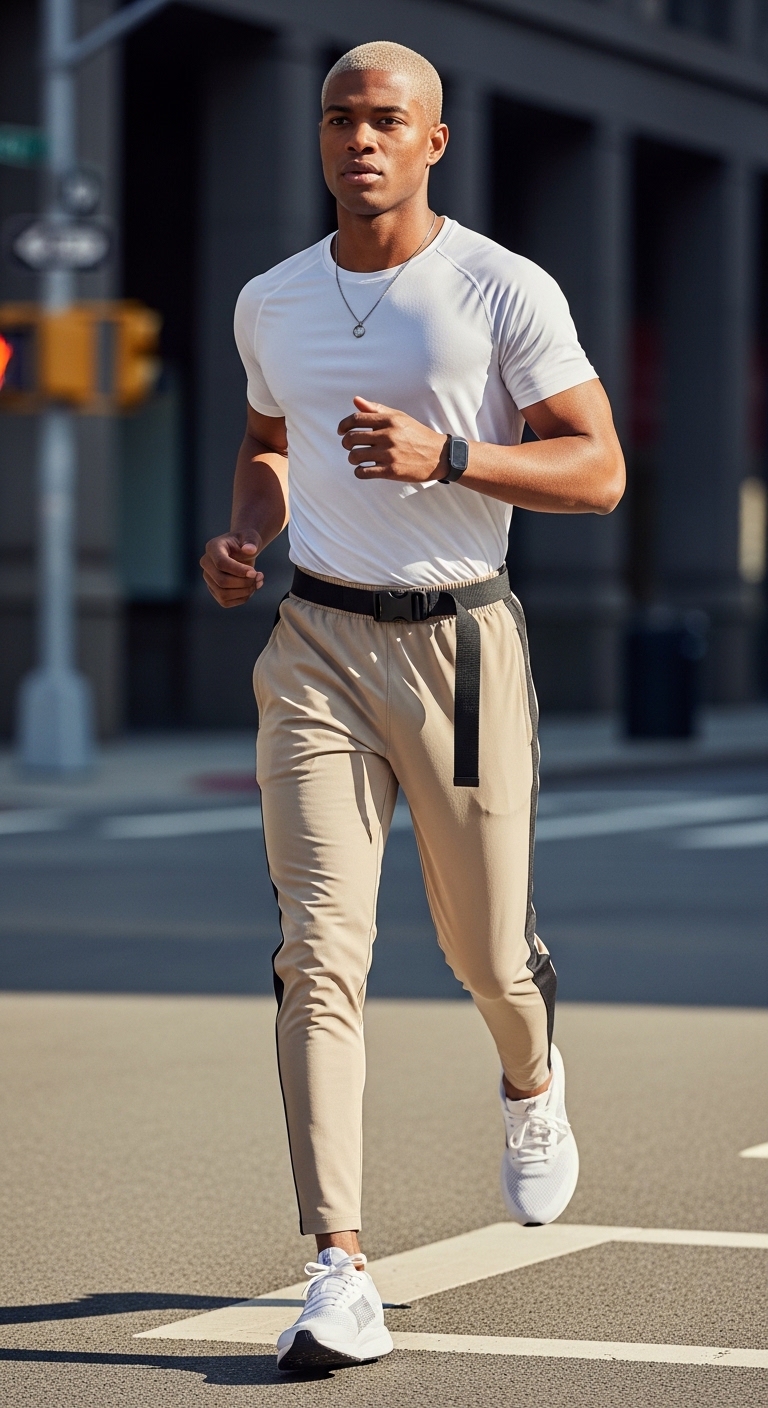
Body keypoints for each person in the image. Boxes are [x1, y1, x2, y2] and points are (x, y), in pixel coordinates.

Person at [200, 40, 625, 1372]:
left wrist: (459, 454)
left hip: (465, 652)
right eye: (342, 118)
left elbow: (600, 466)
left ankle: (531, 1080)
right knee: (320, 953)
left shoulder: (501, 288)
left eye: (389, 120)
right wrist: (242, 534)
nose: (362, 139)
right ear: (318, 137)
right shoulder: (271, 300)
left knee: (487, 953)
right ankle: (339, 1266)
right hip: (317, 643)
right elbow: (270, 441)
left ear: (434, 141)